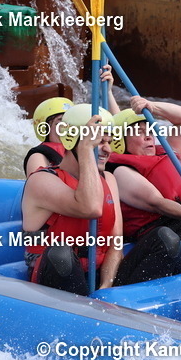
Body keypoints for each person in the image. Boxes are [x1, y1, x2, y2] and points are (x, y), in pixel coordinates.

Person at [107, 97, 181, 284]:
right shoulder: (121, 172)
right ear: (119, 141)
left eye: (149, 130)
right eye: (139, 132)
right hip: (163, 240)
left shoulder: (167, 152)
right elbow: (156, 202)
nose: (148, 136)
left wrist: (152, 107)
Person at [21, 104, 123, 294]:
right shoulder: (41, 180)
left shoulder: (109, 179)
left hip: (99, 273)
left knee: (163, 238)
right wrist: (85, 148)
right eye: (99, 142)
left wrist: (106, 288)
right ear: (72, 141)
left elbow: (115, 243)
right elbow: (91, 207)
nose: (108, 149)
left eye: (108, 142)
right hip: (56, 274)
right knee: (61, 253)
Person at [24, 65, 119, 176]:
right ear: (44, 129)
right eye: (60, 122)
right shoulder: (39, 156)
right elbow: (38, 187)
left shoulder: (91, 150)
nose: (67, 127)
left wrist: (108, 93)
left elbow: (120, 127)